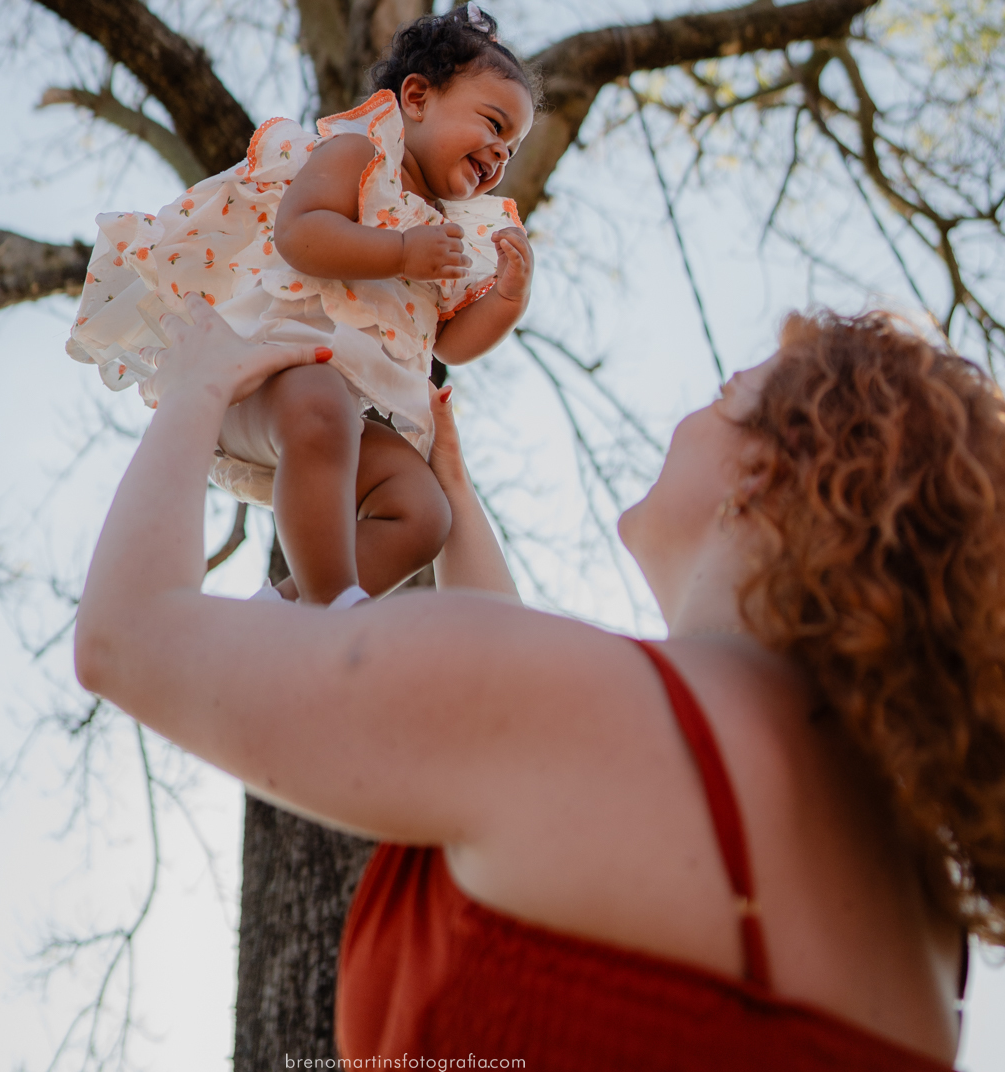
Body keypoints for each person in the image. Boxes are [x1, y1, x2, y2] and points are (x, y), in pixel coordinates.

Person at [73, 304, 1005, 1068]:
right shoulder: (926, 927)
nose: (689, 417)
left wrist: (197, 387)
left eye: (725, 396)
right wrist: (455, 500)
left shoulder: (581, 716)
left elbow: (129, 635)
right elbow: (548, 765)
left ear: (760, 469)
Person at [66, 3, 535, 604]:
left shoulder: (446, 231)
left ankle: (289, 616)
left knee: (423, 511)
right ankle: (336, 602)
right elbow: (301, 234)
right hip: (265, 378)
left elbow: (448, 341)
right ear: (416, 98)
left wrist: (505, 300)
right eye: (494, 125)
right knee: (321, 400)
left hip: (345, 418)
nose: (500, 155)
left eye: (513, 150)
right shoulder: (358, 158)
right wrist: (399, 253)